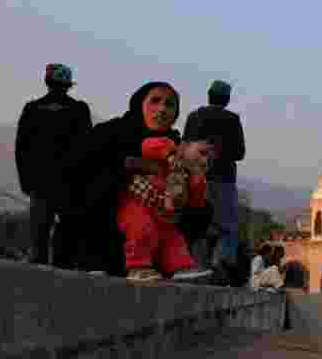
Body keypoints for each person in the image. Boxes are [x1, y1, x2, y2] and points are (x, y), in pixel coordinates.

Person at [56, 82, 214, 277]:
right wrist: (131, 169)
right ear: (140, 103)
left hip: (161, 222)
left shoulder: (177, 146)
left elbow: (191, 197)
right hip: (106, 228)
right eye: (155, 101)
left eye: (169, 104)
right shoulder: (110, 133)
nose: (162, 109)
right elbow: (78, 174)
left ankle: (173, 265)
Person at [15, 64, 92, 267]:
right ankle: (62, 269)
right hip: (68, 181)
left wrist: (26, 180)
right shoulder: (79, 109)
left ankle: (45, 269)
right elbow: (87, 147)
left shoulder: (33, 109)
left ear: (47, 83)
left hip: (45, 182)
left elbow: (21, 149)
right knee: (65, 230)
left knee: (41, 230)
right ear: (68, 85)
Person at [117, 136, 213, 283]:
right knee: (143, 229)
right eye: (202, 153)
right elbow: (148, 145)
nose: (205, 161)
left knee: (174, 241)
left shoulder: (192, 178)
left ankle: (181, 268)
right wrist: (170, 155)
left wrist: (198, 181)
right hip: (139, 204)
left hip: (164, 217)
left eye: (209, 159)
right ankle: (138, 267)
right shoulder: (169, 150)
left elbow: (196, 203)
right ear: (184, 146)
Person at [182, 80, 245, 283]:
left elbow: (184, 147)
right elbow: (239, 152)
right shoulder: (232, 119)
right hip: (224, 179)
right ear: (226, 99)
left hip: (196, 177)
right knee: (226, 228)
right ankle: (221, 264)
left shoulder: (194, 117)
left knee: (199, 225)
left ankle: (197, 267)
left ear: (209, 94)